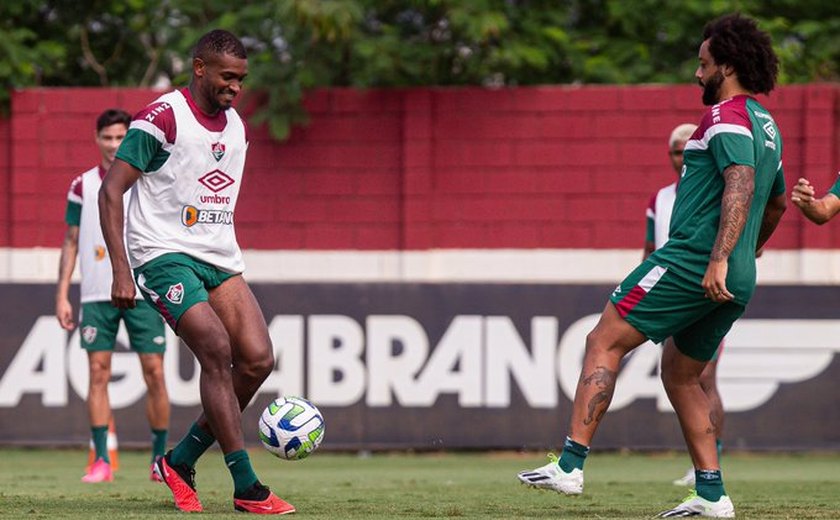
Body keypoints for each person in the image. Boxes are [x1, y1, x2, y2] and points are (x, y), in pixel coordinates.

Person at [517, 13, 786, 518]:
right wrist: (748, 252)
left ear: (726, 66)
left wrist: (720, 257)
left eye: (703, 65)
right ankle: (712, 495)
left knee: (604, 339)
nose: (696, 74)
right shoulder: (767, 125)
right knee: (683, 376)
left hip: (692, 260)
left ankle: (570, 466)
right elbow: (775, 204)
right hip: (739, 272)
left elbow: (742, 183)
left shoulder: (725, 116)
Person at [99, 29, 294, 515]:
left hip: (217, 256)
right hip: (160, 253)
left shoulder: (236, 128)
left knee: (257, 360)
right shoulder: (163, 118)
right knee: (215, 347)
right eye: (227, 77)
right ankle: (246, 485)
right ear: (200, 68)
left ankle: (180, 460)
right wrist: (122, 271)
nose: (235, 87)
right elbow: (110, 191)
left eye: (242, 79)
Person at [56, 109, 170, 483]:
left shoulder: (145, 180)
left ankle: (159, 461)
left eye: (120, 137)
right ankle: (102, 460)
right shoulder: (82, 186)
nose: (113, 144)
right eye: (107, 137)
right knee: (97, 372)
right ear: (97, 139)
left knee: (154, 372)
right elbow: (71, 242)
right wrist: (62, 295)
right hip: (95, 294)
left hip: (142, 290)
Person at [644, 123, 726, 488]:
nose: (681, 158)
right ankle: (701, 458)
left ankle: (711, 460)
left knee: (703, 376)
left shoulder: (719, 192)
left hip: (707, 293)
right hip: (669, 292)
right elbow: (649, 250)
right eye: (676, 152)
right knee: (677, 376)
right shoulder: (659, 199)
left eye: (686, 150)